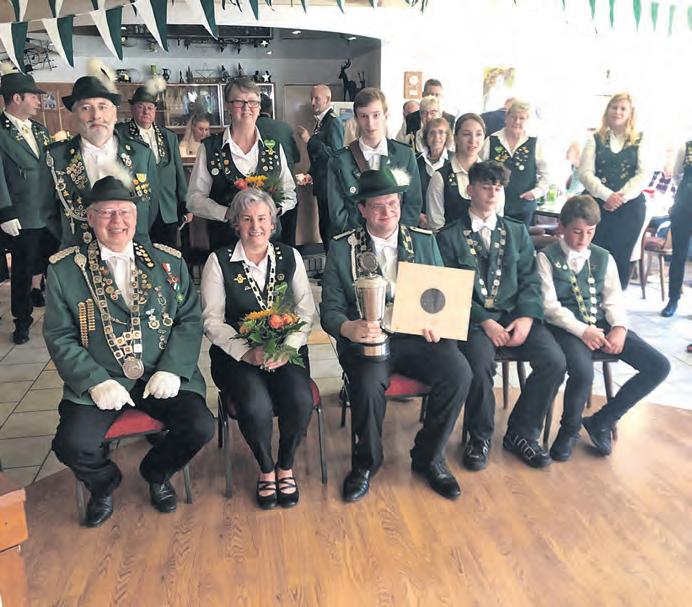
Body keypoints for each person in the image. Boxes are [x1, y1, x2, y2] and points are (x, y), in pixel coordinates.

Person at [45, 174, 215, 528]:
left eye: (124, 212)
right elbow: (60, 335)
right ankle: (104, 485)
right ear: (90, 217)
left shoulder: (169, 262)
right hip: (103, 380)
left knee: (200, 426)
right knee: (70, 444)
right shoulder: (65, 270)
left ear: (136, 216)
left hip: (158, 374)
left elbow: (188, 319)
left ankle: (156, 473)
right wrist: (94, 381)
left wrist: (173, 369)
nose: (117, 221)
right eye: (107, 213)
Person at [321, 167, 472, 502]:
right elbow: (330, 309)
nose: (387, 212)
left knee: (459, 372)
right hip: (368, 342)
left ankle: (429, 456)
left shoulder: (423, 240)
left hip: (417, 337)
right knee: (366, 384)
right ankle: (366, 463)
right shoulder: (342, 248)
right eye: (377, 206)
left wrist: (438, 322)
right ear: (362, 209)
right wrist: (349, 328)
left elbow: (440, 293)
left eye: (392, 203)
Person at [437, 161, 566, 471]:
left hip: (515, 315)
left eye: (498, 187)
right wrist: (484, 320)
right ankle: (479, 437)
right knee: (479, 364)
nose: (493, 193)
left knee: (554, 361)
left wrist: (527, 318)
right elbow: (447, 291)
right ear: (469, 189)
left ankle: (522, 432)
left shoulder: (516, 231)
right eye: (486, 186)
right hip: (473, 320)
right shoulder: (448, 236)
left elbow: (530, 281)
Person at [201, 189, 315, 509]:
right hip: (237, 356)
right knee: (255, 405)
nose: (255, 226)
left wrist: (287, 348)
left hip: (285, 350)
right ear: (236, 224)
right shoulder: (218, 261)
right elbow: (212, 321)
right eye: (247, 219)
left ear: (273, 223)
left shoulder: (290, 256)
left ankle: (285, 465)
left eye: (262, 218)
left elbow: (306, 312)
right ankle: (266, 468)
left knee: (300, 399)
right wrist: (247, 353)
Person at [537, 195, 670, 460]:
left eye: (590, 232)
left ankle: (603, 419)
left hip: (601, 323)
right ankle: (569, 430)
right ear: (562, 226)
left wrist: (619, 327)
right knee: (583, 371)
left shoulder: (603, 257)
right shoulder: (546, 257)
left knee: (659, 366)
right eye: (577, 231)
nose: (583, 239)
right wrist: (582, 330)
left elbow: (613, 299)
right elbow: (549, 306)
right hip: (567, 328)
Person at [45, 61, 160, 248]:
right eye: (85, 108)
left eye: (103, 106)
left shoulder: (141, 154)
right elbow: (48, 214)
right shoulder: (55, 158)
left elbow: (151, 208)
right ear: (74, 115)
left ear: (114, 113)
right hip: (79, 254)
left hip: (132, 251)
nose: (96, 115)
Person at [187, 76, 296, 250]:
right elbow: (194, 199)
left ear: (259, 107)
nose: (247, 108)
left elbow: (290, 193)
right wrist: (227, 213)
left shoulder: (274, 147)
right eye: (239, 102)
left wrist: (275, 210)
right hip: (225, 245)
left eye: (253, 102)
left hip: (269, 245)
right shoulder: (210, 148)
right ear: (227, 106)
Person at [0, 68, 58, 344]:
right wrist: (5, 211)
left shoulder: (39, 130)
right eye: (33, 96)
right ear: (17, 98)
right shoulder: (2, 132)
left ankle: (60, 314)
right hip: (22, 214)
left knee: (54, 266)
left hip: (49, 213)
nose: (38, 101)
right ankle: (22, 320)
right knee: (22, 271)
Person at [578, 92, 651, 289]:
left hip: (629, 208)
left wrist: (621, 197)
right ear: (607, 110)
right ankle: (588, 298)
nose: (617, 112)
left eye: (622, 108)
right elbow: (585, 173)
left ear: (630, 113)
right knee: (592, 253)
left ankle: (615, 302)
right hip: (595, 206)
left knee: (620, 257)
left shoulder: (640, 140)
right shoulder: (594, 138)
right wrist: (607, 195)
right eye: (614, 107)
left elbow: (644, 174)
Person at [328, 88, 422, 236]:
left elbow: (413, 203)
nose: (370, 123)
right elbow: (338, 214)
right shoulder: (339, 161)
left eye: (376, 115)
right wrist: (363, 239)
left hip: (397, 239)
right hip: (356, 240)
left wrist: (396, 237)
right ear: (356, 119)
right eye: (364, 116)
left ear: (386, 115)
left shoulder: (404, 155)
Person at [116, 78, 189, 249]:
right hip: (138, 208)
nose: (146, 111)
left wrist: (186, 205)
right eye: (140, 107)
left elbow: (178, 172)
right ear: (132, 109)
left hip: (167, 209)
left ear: (155, 110)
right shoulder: (120, 135)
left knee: (168, 254)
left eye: (150, 107)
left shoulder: (168, 136)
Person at [428, 113, 504, 231]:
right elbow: (436, 225)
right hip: (449, 241)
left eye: (478, 134)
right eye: (466, 134)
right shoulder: (441, 177)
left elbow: (498, 216)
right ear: (455, 138)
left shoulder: (494, 175)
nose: (473, 140)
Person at [480, 100, 549, 227]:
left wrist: (535, 192)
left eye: (522, 118)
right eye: (513, 117)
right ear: (506, 118)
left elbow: (546, 175)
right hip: (493, 206)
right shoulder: (492, 140)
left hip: (524, 207)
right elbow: (479, 170)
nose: (517, 121)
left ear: (527, 120)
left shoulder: (535, 143)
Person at [296, 84, 344, 252]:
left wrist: (309, 140)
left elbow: (334, 155)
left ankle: (332, 264)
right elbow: (320, 158)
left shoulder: (333, 122)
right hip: (322, 183)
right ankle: (329, 262)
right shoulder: (322, 122)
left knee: (329, 228)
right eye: (311, 98)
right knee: (324, 226)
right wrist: (310, 174)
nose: (312, 102)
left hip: (331, 185)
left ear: (328, 99)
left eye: (317, 98)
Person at [660, 140, 691, 317]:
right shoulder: (686, 146)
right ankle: (673, 300)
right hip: (683, 207)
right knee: (678, 257)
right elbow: (677, 175)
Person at [416, 117, 452, 228]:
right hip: (419, 224)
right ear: (426, 137)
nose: (436, 137)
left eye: (441, 132)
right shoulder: (415, 161)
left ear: (447, 136)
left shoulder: (454, 161)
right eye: (432, 133)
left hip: (448, 226)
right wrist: (417, 215)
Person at [257, 94, 300, 170]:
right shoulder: (285, 128)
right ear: (271, 109)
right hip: (287, 173)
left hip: (257, 175)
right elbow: (296, 157)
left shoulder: (249, 128)